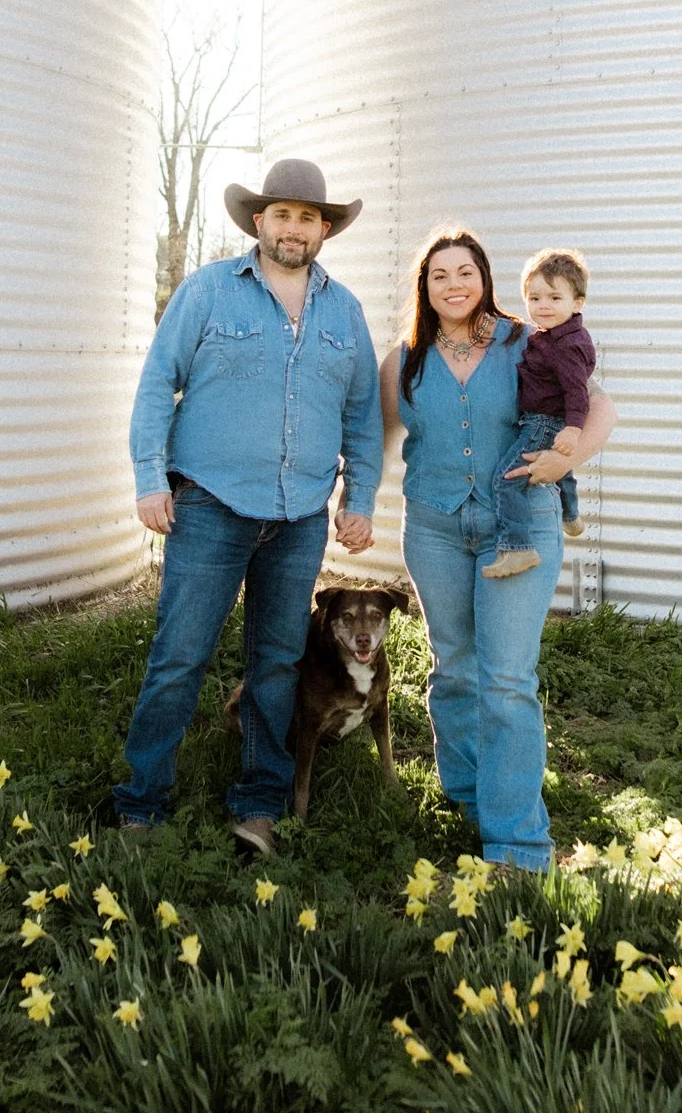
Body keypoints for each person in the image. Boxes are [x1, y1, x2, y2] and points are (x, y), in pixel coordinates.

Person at [117, 158, 382, 856]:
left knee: (276, 663)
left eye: (307, 217)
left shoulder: (344, 312)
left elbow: (360, 416)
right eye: (281, 215)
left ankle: (259, 805)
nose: (293, 229)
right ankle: (141, 804)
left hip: (299, 516)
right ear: (258, 222)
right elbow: (155, 386)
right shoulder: (207, 292)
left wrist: (362, 498)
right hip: (209, 503)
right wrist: (150, 479)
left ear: (324, 229)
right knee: (180, 656)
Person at [379, 227, 614, 870]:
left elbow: (601, 410)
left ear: (484, 277)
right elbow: (371, 432)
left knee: (507, 679)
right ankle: (469, 798)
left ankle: (517, 842)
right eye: (439, 275)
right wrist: (349, 499)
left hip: (520, 527)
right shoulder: (407, 359)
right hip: (433, 526)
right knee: (454, 668)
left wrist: (560, 462)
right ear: (424, 289)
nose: (454, 285)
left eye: (466, 272)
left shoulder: (525, 342)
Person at [483, 247, 597, 578]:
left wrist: (573, 429)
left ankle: (518, 549)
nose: (542, 306)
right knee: (560, 469)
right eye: (534, 298)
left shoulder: (566, 346)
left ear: (577, 303)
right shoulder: (553, 336)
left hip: (542, 422)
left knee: (506, 480)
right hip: (545, 420)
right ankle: (571, 513)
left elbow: (578, 391)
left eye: (554, 298)